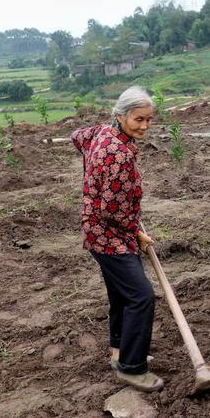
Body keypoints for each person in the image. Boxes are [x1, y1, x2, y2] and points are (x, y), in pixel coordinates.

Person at [70, 86, 163, 392]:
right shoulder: (119, 155)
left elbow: (77, 136)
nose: (144, 126)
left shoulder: (100, 133)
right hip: (109, 235)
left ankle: (118, 353)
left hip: (97, 229)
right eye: (138, 119)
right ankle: (132, 368)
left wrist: (90, 169)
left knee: (122, 296)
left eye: (149, 119)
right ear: (121, 116)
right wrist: (137, 232)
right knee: (141, 296)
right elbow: (111, 210)